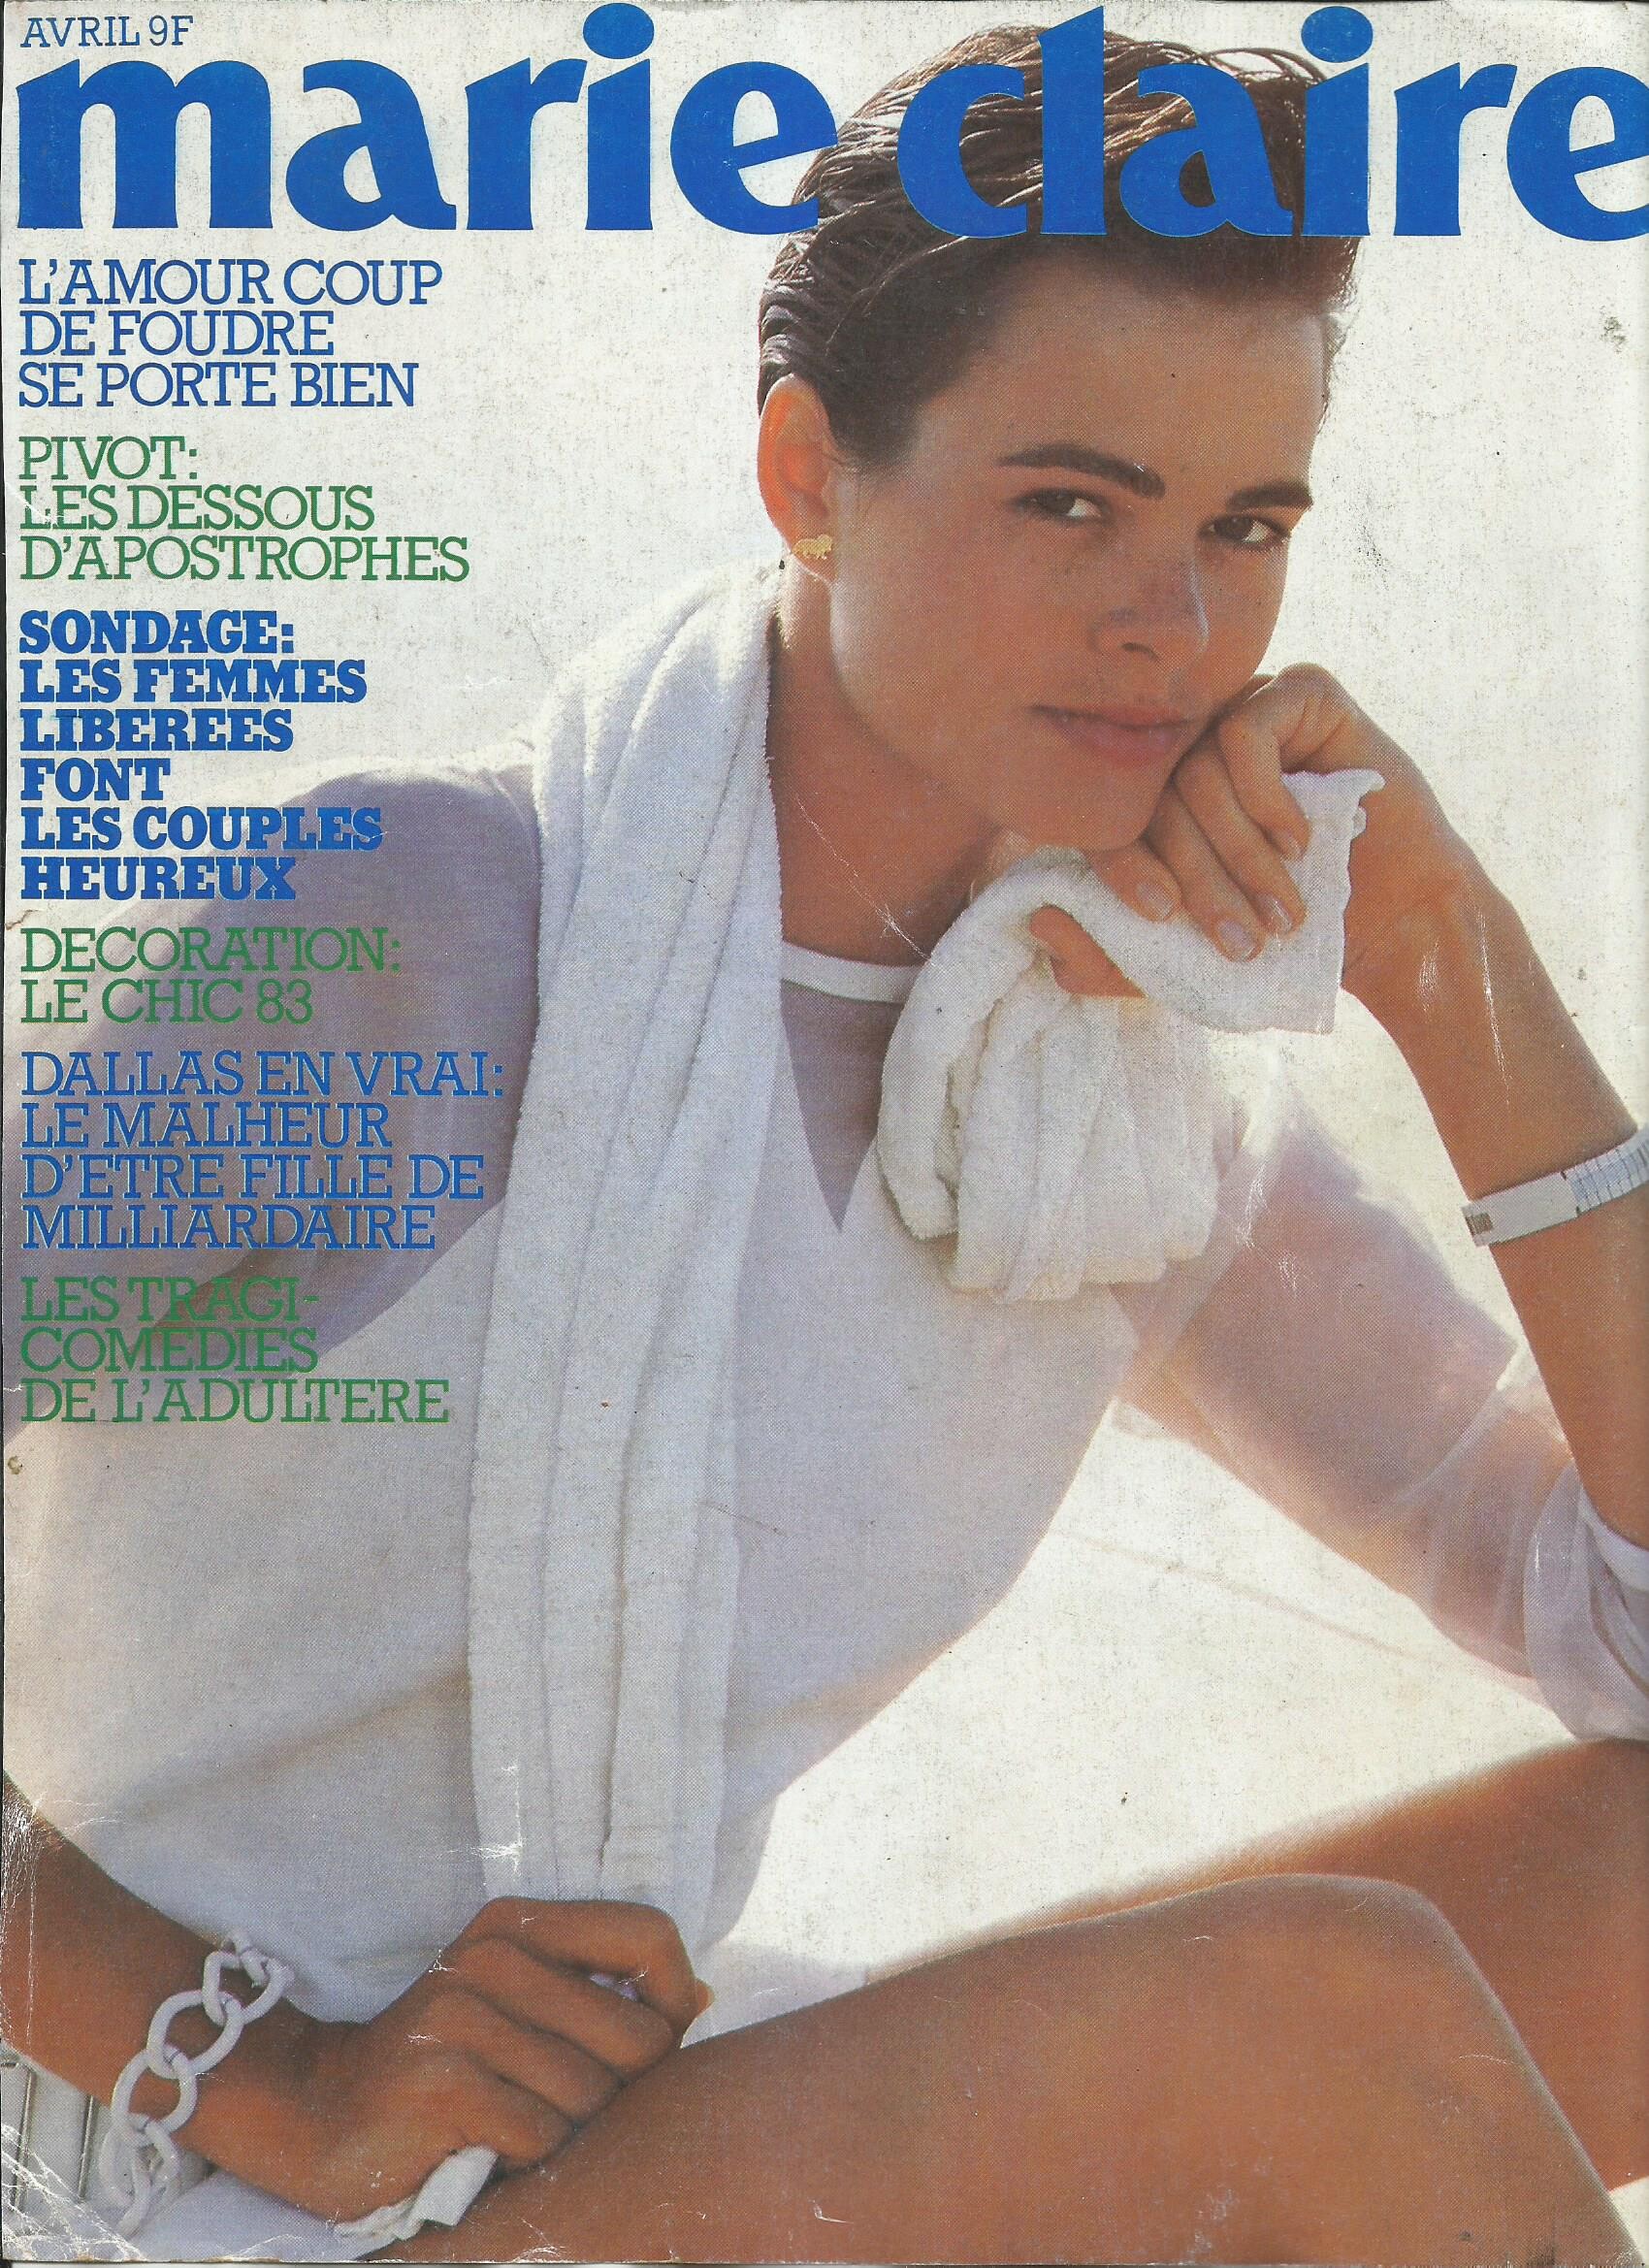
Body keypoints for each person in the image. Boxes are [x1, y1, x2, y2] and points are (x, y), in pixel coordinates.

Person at [4, 20, 1646, 2266]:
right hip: (152, 2176)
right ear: (806, 475)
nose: (1171, 626)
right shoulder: (417, 934)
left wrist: (1457, 966)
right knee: (1325, 2021)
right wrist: (249, 2062)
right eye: (1069, 502)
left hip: (607, 2135)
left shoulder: (1104, 1093)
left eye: (1242, 526)